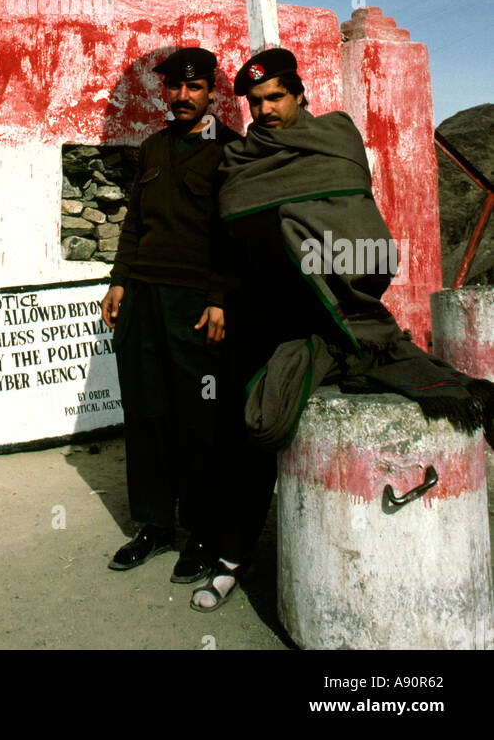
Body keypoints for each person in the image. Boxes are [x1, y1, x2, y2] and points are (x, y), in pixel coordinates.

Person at [189, 46, 494, 613]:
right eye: (256, 102)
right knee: (239, 432)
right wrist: (219, 299)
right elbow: (224, 242)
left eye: (276, 96)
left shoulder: (332, 141)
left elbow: (361, 230)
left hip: (323, 310)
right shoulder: (238, 161)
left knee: (295, 416)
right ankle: (231, 555)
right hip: (254, 314)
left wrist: (338, 280)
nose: (266, 109)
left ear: (300, 94)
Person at [100, 46, 239, 585]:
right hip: (143, 300)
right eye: (175, 88)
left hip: (195, 306)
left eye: (195, 88)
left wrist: (220, 297)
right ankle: (154, 526)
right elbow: (135, 221)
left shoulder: (230, 150)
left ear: (211, 93)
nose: (183, 97)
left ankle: (201, 534)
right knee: (147, 411)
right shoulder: (154, 147)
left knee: (198, 419)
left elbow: (234, 236)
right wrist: (118, 280)